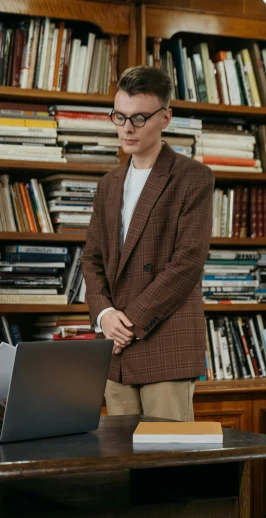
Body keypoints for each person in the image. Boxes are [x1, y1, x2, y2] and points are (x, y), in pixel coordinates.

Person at [81, 65, 214, 421]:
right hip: (114, 352)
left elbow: (188, 262)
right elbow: (91, 259)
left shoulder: (193, 177)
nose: (127, 127)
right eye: (119, 116)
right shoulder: (109, 184)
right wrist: (105, 315)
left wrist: (127, 324)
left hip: (165, 343)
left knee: (166, 468)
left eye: (139, 117)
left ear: (165, 118)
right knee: (121, 467)